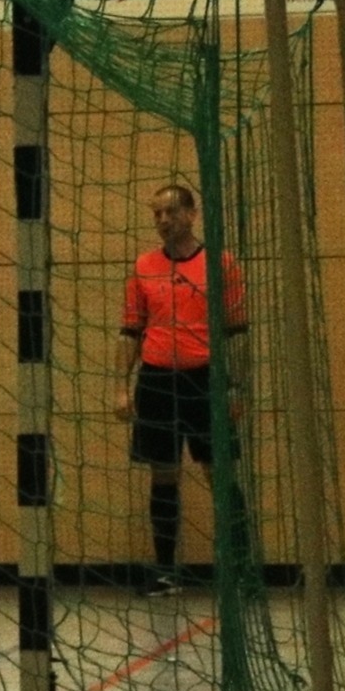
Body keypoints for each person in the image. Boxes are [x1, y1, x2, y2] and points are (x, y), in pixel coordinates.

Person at [119, 181, 246, 592]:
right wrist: (120, 386)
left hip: (205, 378)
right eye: (156, 213)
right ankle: (165, 572)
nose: (163, 220)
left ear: (191, 214)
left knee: (218, 472)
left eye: (171, 212)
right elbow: (130, 330)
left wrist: (237, 387)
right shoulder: (143, 267)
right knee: (163, 474)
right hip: (156, 380)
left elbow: (237, 331)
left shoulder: (221, 264)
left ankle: (243, 568)